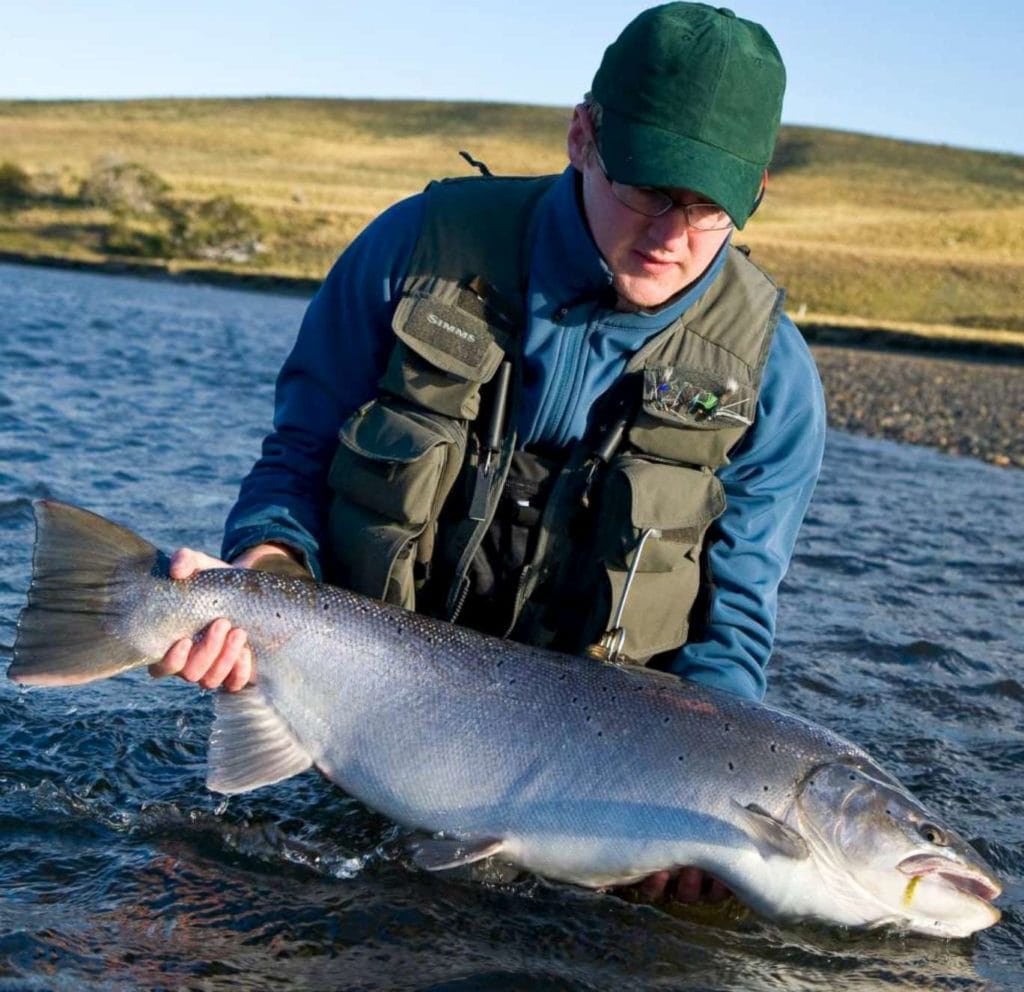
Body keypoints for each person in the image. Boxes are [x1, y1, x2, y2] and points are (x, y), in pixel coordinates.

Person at [150, 3, 825, 905]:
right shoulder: (413, 249)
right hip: (357, 722)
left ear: (758, 195)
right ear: (582, 135)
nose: (673, 236)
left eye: (711, 212)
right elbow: (297, 462)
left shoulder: (774, 383)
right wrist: (263, 590)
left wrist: (707, 813)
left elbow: (732, 631)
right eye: (651, 191)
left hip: (596, 793)